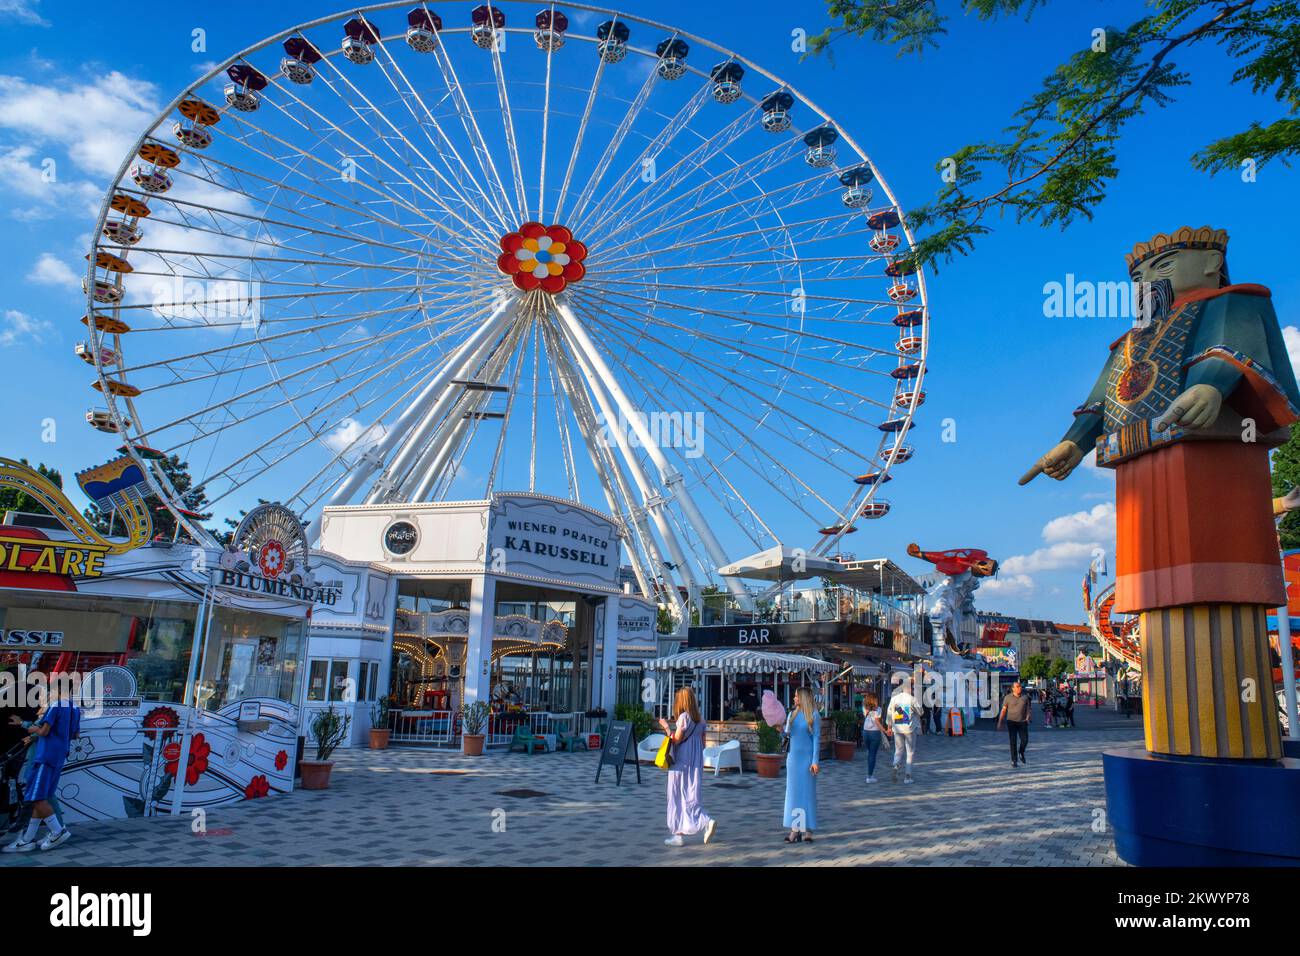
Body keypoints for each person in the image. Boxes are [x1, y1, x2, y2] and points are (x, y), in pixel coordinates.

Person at [3, 682, 76, 853]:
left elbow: (43, 731)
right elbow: (74, 734)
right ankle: (27, 839)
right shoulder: (74, 708)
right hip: (58, 756)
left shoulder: (55, 706)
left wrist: (27, 727)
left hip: (44, 756)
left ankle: (58, 831)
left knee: (37, 797)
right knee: (41, 796)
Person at [657, 687, 716, 848]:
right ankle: (684, 832)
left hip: (680, 762)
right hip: (695, 762)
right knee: (691, 794)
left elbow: (676, 740)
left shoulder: (683, 718)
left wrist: (666, 727)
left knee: (676, 795)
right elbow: (703, 744)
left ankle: (702, 823)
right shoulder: (701, 720)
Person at [782, 687, 821, 843]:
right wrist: (780, 729)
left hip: (807, 760)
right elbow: (786, 736)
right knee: (793, 794)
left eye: (796, 696)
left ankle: (809, 829)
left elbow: (817, 739)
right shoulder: (792, 714)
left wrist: (815, 761)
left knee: (808, 793)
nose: (794, 698)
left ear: (803, 698)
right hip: (793, 759)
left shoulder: (814, 715)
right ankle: (795, 829)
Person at [885, 677, 920, 783]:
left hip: (897, 728)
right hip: (909, 728)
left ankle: (895, 765)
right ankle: (907, 776)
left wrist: (889, 727)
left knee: (898, 750)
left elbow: (889, 713)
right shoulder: (912, 699)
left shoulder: (894, 699)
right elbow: (920, 712)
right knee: (910, 752)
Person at [997, 680, 1032, 768]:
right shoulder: (1007, 698)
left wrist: (1028, 718)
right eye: (1017, 687)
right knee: (1013, 741)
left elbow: (1028, 709)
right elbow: (1004, 710)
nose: (1020, 688)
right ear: (1013, 689)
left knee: (1025, 740)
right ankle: (1014, 760)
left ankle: (1021, 751)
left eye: (1020, 686)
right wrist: (1000, 722)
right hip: (1011, 722)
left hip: (1022, 722)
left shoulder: (1025, 697)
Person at [861, 692, 885, 783]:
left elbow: (864, 703)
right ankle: (869, 776)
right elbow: (877, 722)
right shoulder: (878, 709)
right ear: (874, 700)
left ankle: (870, 774)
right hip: (874, 733)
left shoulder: (864, 708)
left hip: (865, 732)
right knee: (872, 754)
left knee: (869, 753)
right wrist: (884, 730)